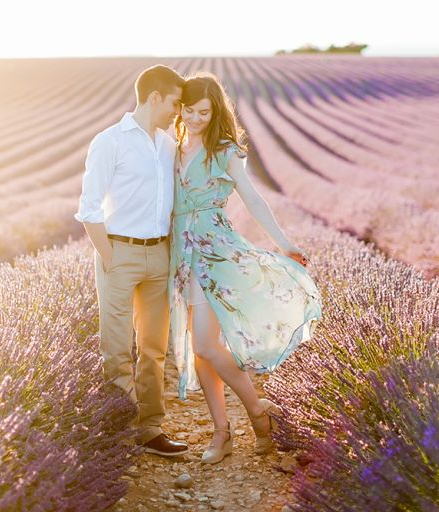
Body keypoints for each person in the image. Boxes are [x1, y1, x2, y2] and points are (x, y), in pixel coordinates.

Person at [168, 72, 322, 464]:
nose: (195, 118)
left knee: (204, 344)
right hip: (181, 255)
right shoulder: (172, 148)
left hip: (216, 251)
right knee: (202, 351)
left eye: (204, 111)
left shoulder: (224, 151)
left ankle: (256, 409)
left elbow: (252, 198)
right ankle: (223, 431)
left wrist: (283, 242)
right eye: (189, 110)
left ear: (216, 109)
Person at [75, 64, 189, 457]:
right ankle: (119, 432)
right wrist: (110, 258)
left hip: (159, 253)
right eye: (175, 103)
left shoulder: (170, 143)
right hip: (119, 251)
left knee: (155, 348)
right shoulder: (110, 141)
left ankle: (149, 429)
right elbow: (89, 209)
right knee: (117, 348)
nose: (179, 111)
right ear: (155, 97)